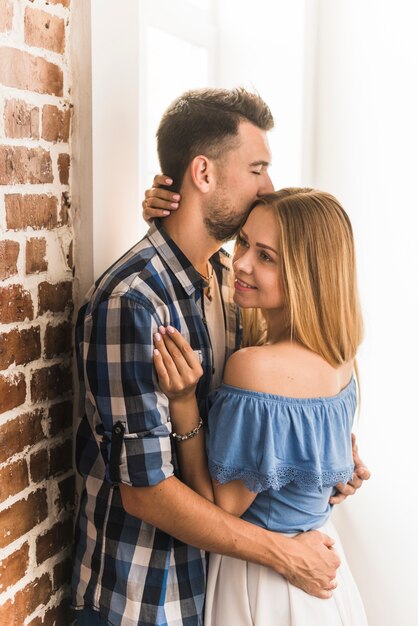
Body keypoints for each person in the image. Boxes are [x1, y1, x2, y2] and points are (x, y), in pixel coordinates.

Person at [72, 88, 369, 626]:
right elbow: (149, 494)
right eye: (258, 168)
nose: (269, 186)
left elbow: (258, 431)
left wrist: (319, 466)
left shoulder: (231, 284)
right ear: (204, 174)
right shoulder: (133, 302)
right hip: (147, 600)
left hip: (220, 583)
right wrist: (283, 552)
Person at [152, 187, 369, 625]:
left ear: (309, 273)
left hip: (264, 584)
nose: (242, 263)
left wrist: (183, 404)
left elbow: (218, 507)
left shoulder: (256, 368)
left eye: (267, 257)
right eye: (244, 242)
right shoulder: (342, 357)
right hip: (324, 580)